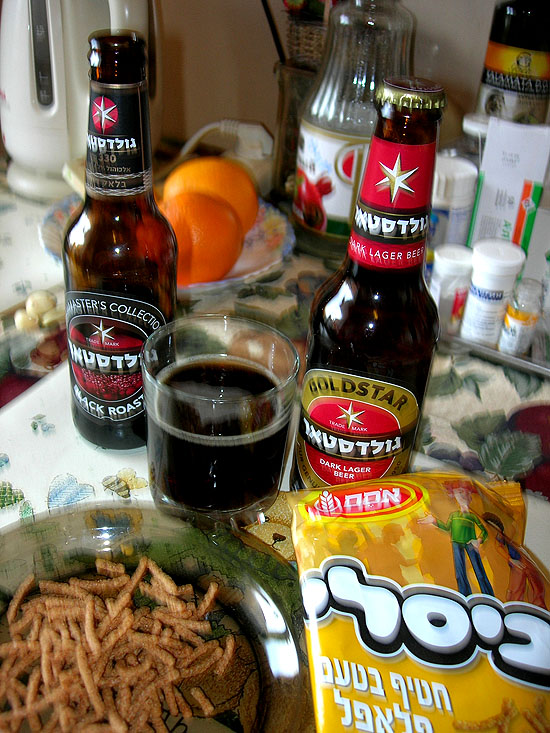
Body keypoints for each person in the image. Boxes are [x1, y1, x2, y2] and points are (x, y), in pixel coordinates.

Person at [419, 481, 494, 597]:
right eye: (458, 492)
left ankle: (489, 596)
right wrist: (434, 521)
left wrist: (479, 540)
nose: (462, 495)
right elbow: (446, 528)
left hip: (471, 544)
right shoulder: (454, 515)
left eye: (464, 492)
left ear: (470, 496)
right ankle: (465, 596)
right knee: (460, 573)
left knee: (479, 572)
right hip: (456, 544)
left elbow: (484, 531)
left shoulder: (472, 516)